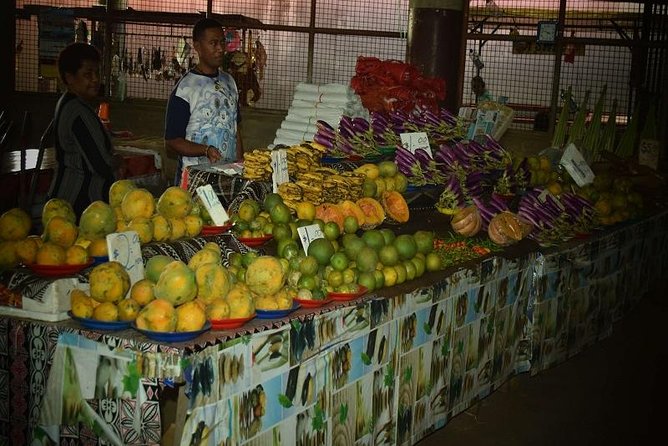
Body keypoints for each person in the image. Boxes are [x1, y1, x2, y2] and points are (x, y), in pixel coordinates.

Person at [165, 18, 243, 186]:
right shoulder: (186, 88)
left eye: (222, 42)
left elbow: (236, 131)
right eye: (213, 43)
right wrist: (205, 150)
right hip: (194, 183)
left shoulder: (230, 83)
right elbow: (172, 142)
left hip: (226, 181)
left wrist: (240, 167)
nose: (220, 49)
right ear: (198, 47)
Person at [48, 42, 122, 216]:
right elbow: (102, 164)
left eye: (97, 72)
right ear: (69, 77)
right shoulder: (78, 111)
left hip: (67, 201)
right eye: (88, 74)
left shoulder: (69, 103)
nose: (95, 79)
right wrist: (118, 159)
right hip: (77, 205)